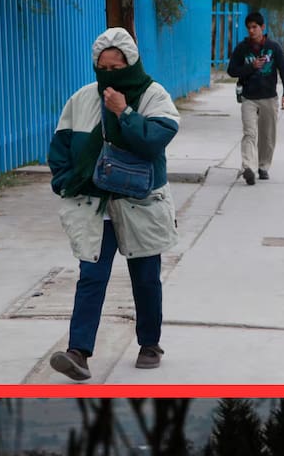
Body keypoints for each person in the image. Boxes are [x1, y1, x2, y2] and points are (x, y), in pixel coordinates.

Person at [46, 27, 181, 381]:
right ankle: (79, 352)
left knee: (146, 278)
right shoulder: (82, 99)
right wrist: (65, 182)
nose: (109, 74)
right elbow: (60, 147)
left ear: (130, 63)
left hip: (140, 201)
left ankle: (150, 343)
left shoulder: (154, 96)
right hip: (95, 205)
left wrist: (124, 113)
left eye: (115, 67)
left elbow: (154, 142)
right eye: (102, 68)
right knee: (91, 275)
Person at [227, 11, 284, 185]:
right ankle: (248, 167)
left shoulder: (274, 47)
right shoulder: (242, 48)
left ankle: (263, 166)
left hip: (269, 98)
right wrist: (251, 66)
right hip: (249, 97)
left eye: (254, 27)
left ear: (262, 28)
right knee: (249, 133)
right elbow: (232, 70)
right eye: (248, 28)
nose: (251, 31)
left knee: (267, 136)